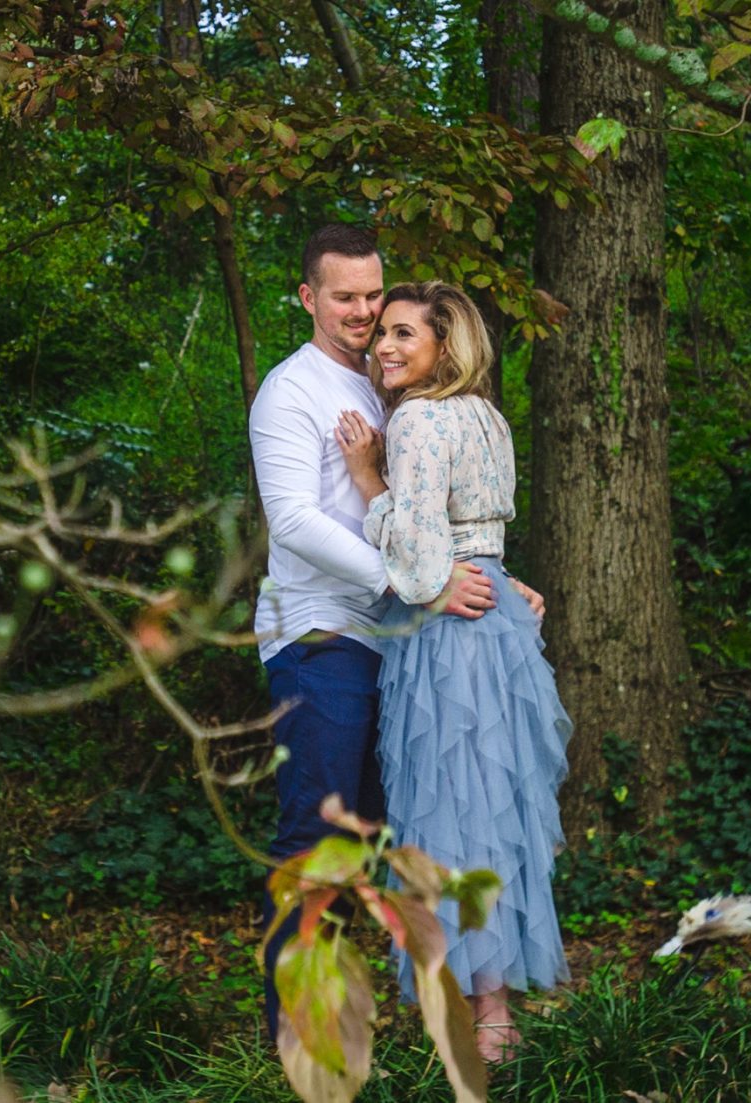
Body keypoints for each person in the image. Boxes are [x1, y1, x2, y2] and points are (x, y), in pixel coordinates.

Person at [248, 225, 541, 1042]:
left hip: (408, 640)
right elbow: (296, 520)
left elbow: (438, 510)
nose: (364, 314)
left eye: (374, 298)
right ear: (309, 297)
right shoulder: (290, 392)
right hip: (323, 636)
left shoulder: (397, 387)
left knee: (405, 834)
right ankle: (300, 1037)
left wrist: (490, 575)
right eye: (344, 297)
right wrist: (418, 580)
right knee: (322, 836)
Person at [335, 280, 572, 1061]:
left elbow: (422, 552)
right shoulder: (487, 417)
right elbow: (485, 536)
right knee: (493, 807)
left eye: (406, 334)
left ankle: (482, 1017)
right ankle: (495, 1008)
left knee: (449, 810)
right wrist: (501, 581)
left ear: (446, 345)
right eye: (384, 335)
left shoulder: (418, 420)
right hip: (496, 616)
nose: (386, 347)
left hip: (450, 626)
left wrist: (369, 476)